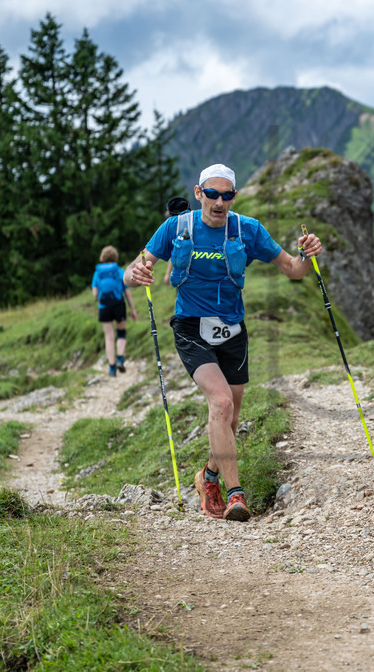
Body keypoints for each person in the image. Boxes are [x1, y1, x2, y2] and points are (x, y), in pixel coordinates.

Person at [124, 163, 323, 522]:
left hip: (232, 330)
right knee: (220, 402)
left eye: (226, 195)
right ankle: (234, 495)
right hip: (190, 327)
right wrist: (135, 274)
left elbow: (293, 269)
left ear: (234, 197)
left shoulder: (249, 230)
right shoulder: (176, 227)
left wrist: (307, 254)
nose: (219, 201)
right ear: (199, 194)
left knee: (229, 418)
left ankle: (207, 476)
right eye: (212, 194)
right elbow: (134, 269)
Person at [92, 245, 138, 376]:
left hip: (104, 307)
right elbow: (127, 293)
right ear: (115, 257)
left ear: (103, 257)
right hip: (118, 305)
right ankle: (120, 359)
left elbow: (95, 294)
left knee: (109, 337)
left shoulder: (97, 273)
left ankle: (111, 368)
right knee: (121, 333)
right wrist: (133, 310)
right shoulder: (119, 271)